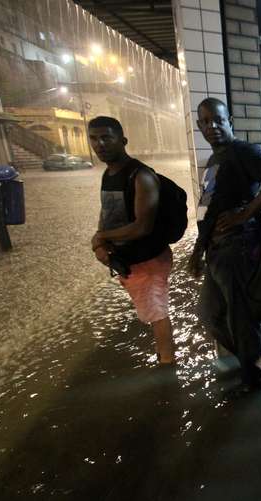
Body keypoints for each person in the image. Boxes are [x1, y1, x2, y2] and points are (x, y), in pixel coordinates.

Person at [187, 97, 261, 395]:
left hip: (237, 249)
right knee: (210, 314)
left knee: (239, 317)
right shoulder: (215, 160)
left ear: (229, 120)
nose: (212, 126)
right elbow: (209, 209)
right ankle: (258, 357)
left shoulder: (241, 151)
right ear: (199, 126)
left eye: (218, 120)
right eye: (205, 122)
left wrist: (247, 212)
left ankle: (255, 377)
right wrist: (198, 249)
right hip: (216, 251)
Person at [89, 116, 176, 365]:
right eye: (94, 138)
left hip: (148, 259)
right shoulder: (109, 174)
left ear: (123, 140)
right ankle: (164, 358)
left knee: (157, 313)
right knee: (151, 310)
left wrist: (101, 237)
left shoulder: (140, 177)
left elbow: (142, 226)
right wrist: (101, 244)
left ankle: (167, 366)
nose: (100, 144)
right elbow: (107, 213)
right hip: (128, 261)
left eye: (106, 137)